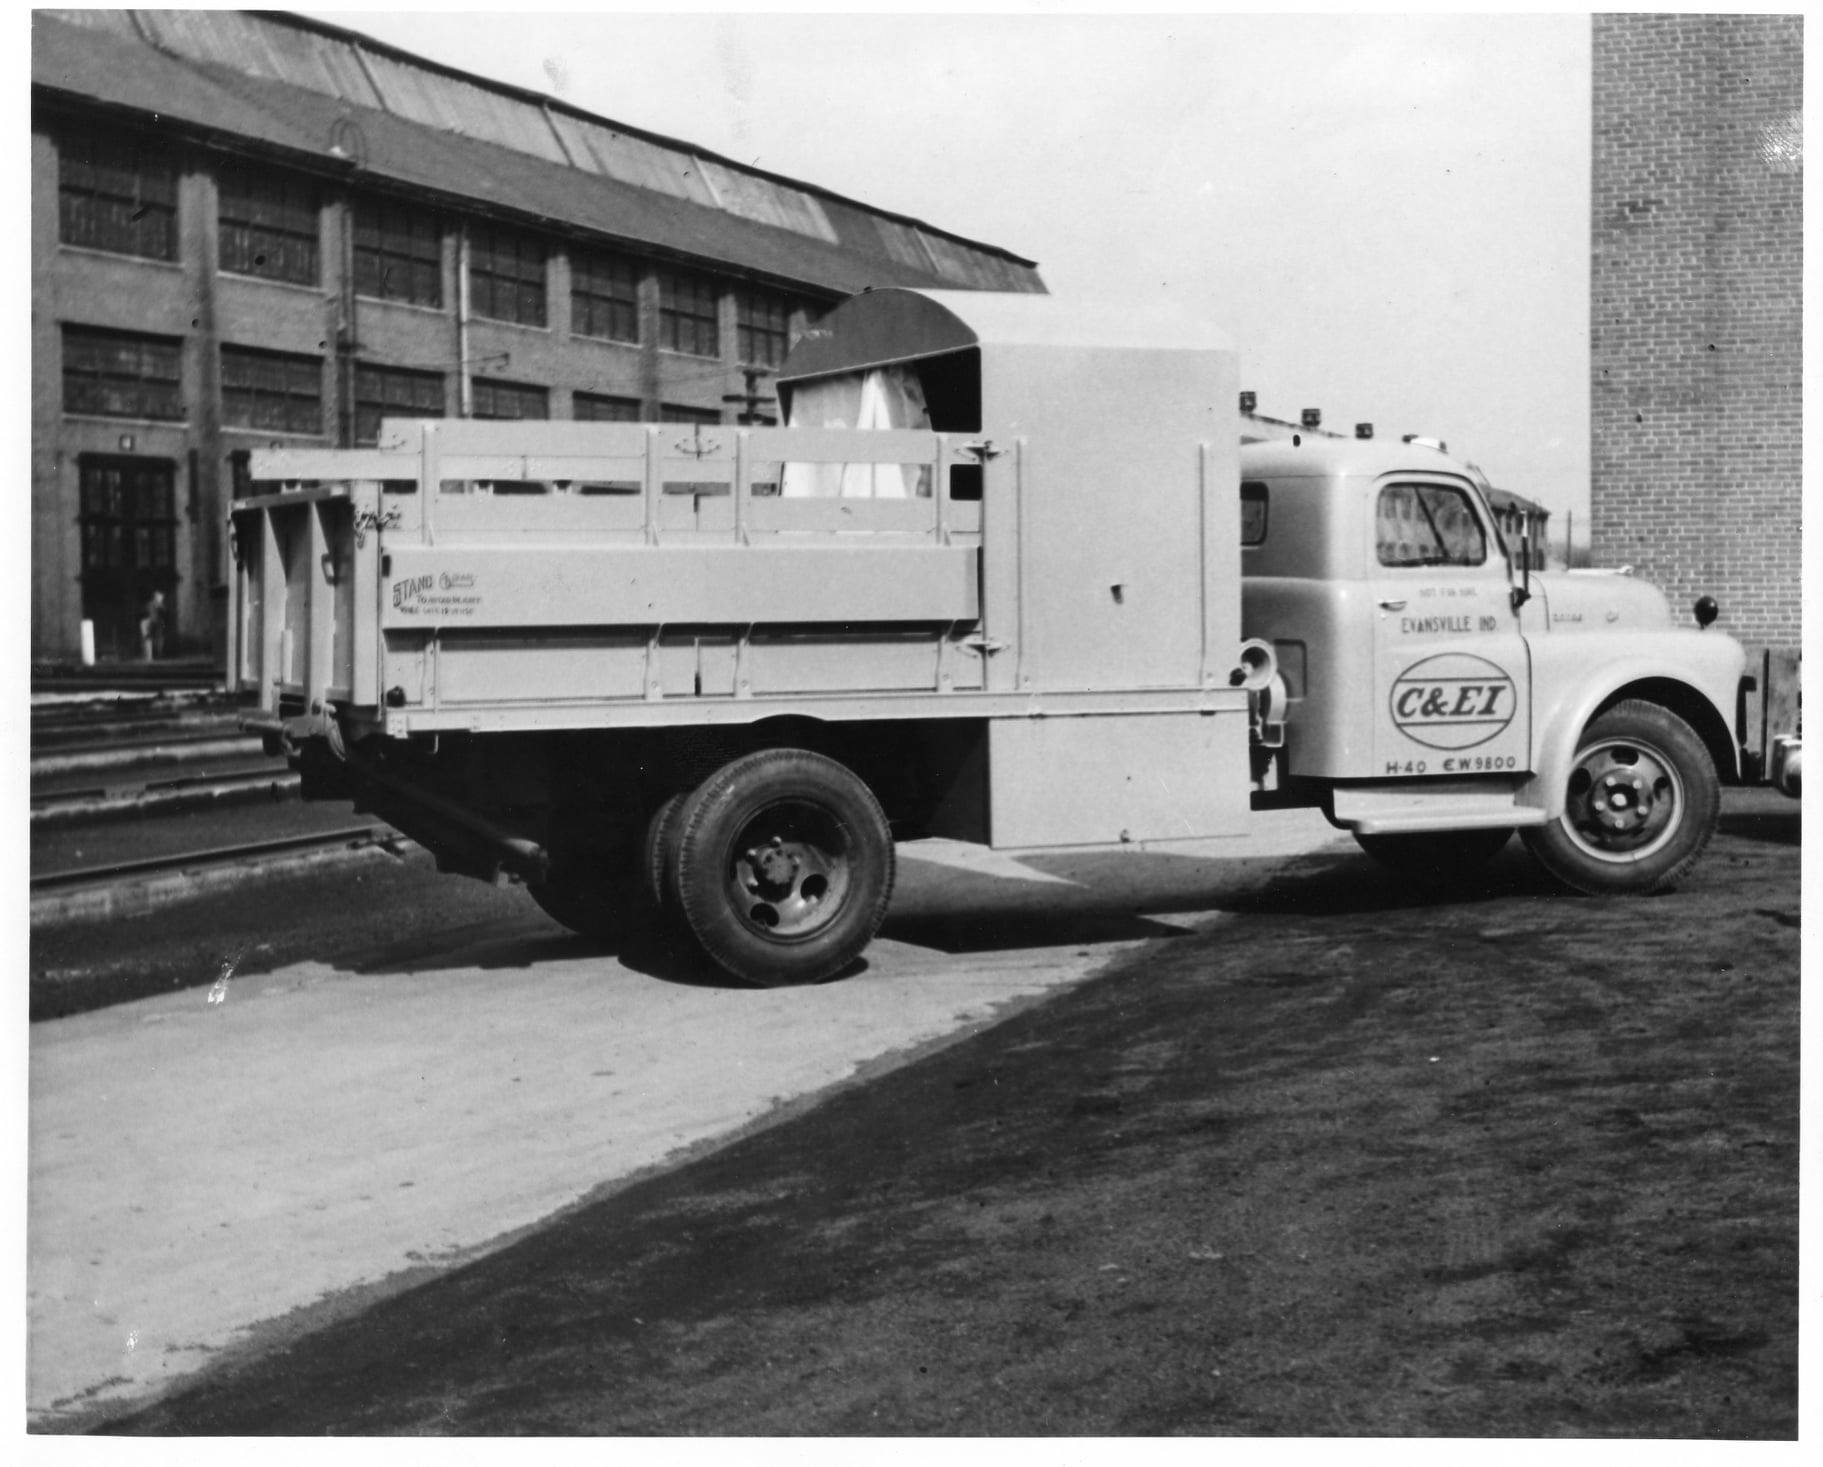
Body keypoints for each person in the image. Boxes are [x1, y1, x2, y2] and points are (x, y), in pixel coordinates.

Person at [139, 588, 166, 661]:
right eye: (159, 597)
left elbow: (163, 610)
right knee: (150, 638)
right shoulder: (152, 604)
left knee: (155, 639)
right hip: (153, 623)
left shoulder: (157, 604)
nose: (160, 598)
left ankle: (154, 655)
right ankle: (151, 656)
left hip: (157, 623)